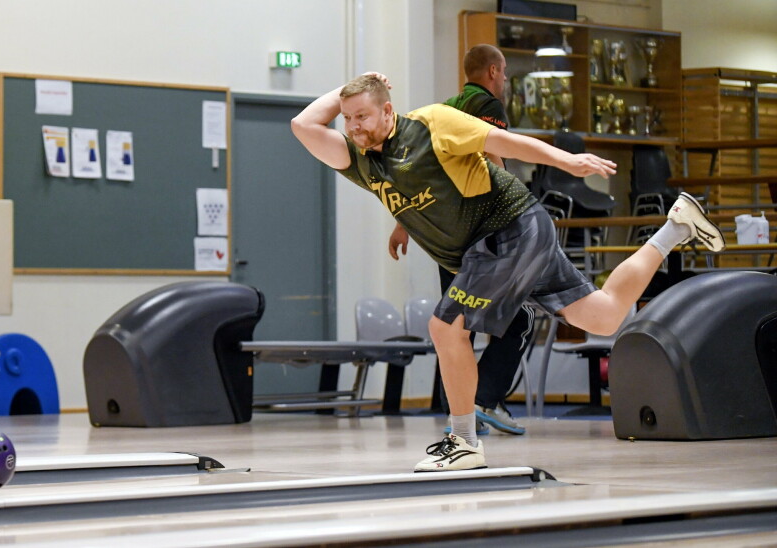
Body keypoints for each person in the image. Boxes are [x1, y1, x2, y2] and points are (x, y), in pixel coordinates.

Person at [291, 72, 724, 471]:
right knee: (604, 316)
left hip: (509, 228)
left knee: (446, 327)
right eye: (347, 119)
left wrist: (565, 162)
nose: (354, 127)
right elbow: (303, 126)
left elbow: (504, 143)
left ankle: (463, 441)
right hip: (499, 245)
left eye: (363, 115)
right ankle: (676, 226)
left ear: (389, 109)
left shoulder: (432, 123)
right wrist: (349, 93)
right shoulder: (364, 162)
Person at [387, 44, 529, 437]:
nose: (503, 79)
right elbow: (495, 158)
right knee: (520, 319)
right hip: (482, 234)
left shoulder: (444, 109)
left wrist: (404, 222)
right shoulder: (488, 105)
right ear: (493, 71)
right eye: (502, 73)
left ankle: (461, 414)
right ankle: (483, 400)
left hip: (444, 238)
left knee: (456, 326)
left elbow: (415, 174)